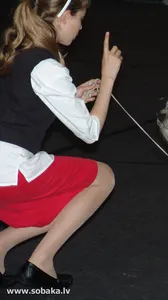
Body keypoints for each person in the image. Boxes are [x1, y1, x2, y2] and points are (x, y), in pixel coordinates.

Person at [0, 0, 123, 289]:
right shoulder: (47, 65)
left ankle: (2, 244)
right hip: (11, 170)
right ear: (65, 17)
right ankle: (41, 261)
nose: (81, 27)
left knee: (68, 198)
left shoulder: (20, 51)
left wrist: (73, 98)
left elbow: (23, 105)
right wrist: (108, 80)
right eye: (80, 19)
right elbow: (90, 133)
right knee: (103, 177)